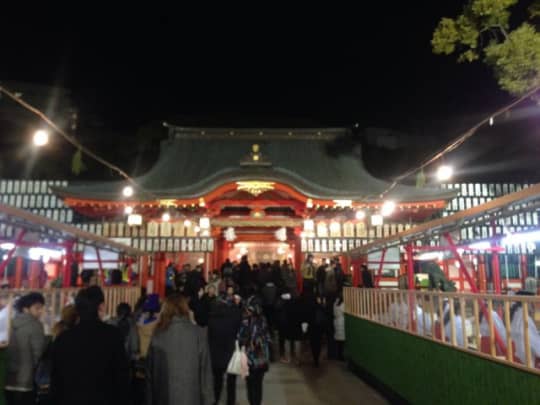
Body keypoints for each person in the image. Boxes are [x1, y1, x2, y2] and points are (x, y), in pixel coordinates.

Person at [50, 286, 130, 405]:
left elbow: (56, 380)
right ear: (101, 307)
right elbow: (121, 376)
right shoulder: (112, 335)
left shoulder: (63, 338)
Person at [146, 293, 213, 405]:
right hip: (192, 397)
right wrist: (208, 399)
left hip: (163, 397)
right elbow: (205, 371)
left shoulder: (158, 335)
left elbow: (150, 373)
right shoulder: (198, 333)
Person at [5, 292, 46, 405]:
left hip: (9, 379)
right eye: (37, 308)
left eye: (41, 308)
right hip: (26, 381)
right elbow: (38, 353)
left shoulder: (12, 323)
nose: (40, 311)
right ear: (25, 309)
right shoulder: (36, 325)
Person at [207, 296, 242, 405]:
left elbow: (209, 338)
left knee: (217, 381)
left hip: (216, 355)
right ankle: (230, 401)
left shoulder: (211, 321)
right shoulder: (232, 320)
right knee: (231, 382)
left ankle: (215, 400)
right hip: (230, 353)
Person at [238, 295, 271, 405]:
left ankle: (253, 403)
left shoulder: (245, 320)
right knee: (258, 384)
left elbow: (240, 337)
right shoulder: (263, 320)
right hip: (261, 358)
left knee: (250, 384)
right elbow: (267, 338)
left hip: (250, 358)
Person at [510, 291, 540, 364]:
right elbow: (537, 348)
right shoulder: (525, 319)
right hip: (528, 363)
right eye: (533, 302)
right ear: (528, 303)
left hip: (519, 359)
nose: (534, 306)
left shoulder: (517, 315)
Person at [334, 294, 346, 361]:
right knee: (342, 341)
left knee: (339, 342)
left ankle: (338, 355)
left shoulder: (335, 303)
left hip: (336, 322)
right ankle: (341, 356)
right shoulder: (343, 304)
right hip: (342, 322)